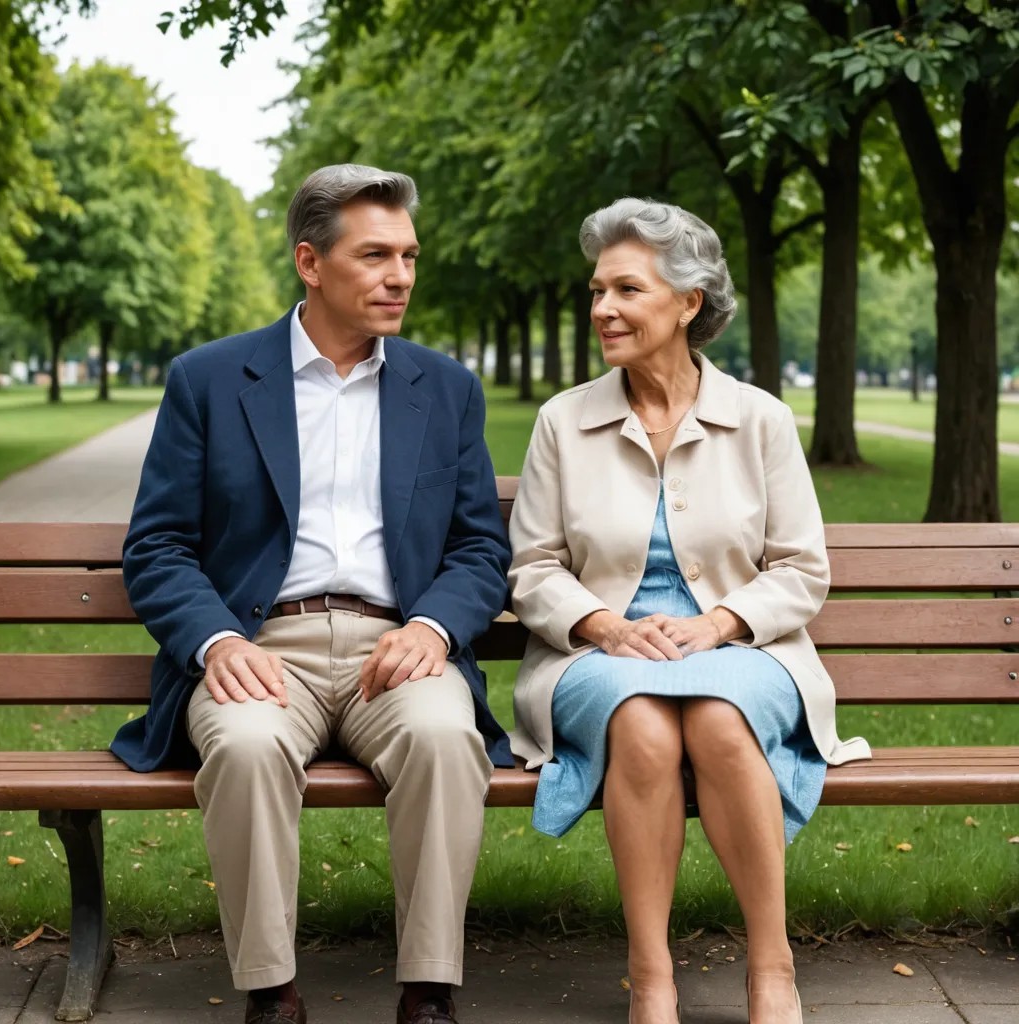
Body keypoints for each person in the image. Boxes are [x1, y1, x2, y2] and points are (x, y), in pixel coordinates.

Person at [112, 164, 513, 1024]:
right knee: (249, 747)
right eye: (375, 255)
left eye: (408, 255)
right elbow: (157, 546)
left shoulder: (444, 388)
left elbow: (481, 546)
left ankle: (430, 994)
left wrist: (437, 628)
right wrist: (217, 642)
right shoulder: (210, 380)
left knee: (447, 737)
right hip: (260, 648)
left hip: (396, 645)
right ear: (310, 262)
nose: (400, 276)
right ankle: (272, 996)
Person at [507, 198, 871, 1024]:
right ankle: (653, 974)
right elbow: (530, 569)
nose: (603, 308)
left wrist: (719, 624)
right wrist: (605, 626)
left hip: (747, 646)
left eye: (627, 290)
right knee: (638, 719)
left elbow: (801, 569)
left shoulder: (761, 419)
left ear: (687, 302)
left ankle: (771, 964)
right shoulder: (563, 422)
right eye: (598, 290)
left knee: (714, 711)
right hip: (594, 654)